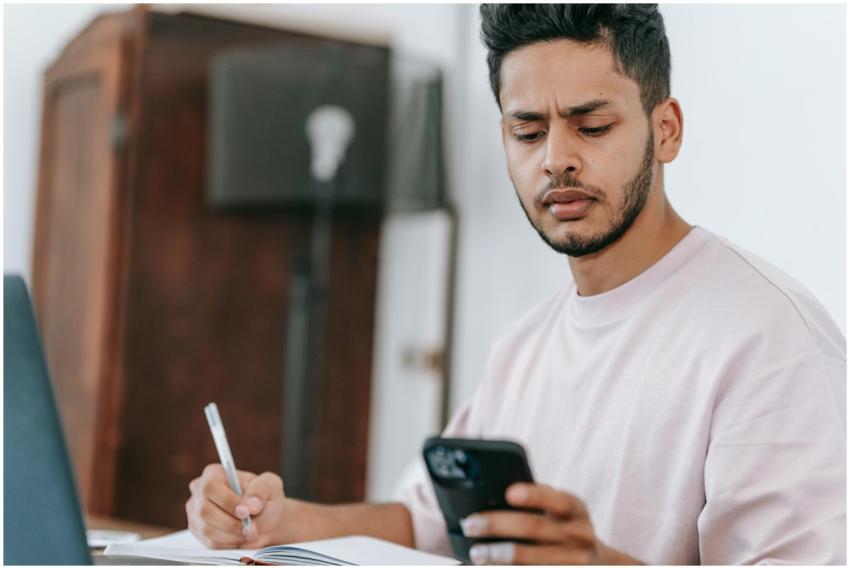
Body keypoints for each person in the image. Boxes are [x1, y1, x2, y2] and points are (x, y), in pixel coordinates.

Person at [186, 5, 846, 564]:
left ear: (665, 129)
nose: (555, 158)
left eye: (592, 125)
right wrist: (282, 521)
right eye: (527, 131)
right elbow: (426, 524)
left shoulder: (772, 339)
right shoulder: (522, 347)